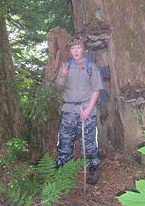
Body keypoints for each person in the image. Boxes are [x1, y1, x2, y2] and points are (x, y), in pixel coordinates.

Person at [55, 34, 103, 184]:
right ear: (70, 50)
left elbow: (96, 89)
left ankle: (93, 169)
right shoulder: (66, 66)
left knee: (88, 143)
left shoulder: (91, 66)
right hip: (69, 110)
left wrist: (88, 109)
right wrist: (62, 75)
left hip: (86, 110)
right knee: (64, 142)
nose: (76, 51)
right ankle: (62, 171)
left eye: (79, 47)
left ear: (83, 49)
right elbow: (59, 86)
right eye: (73, 48)